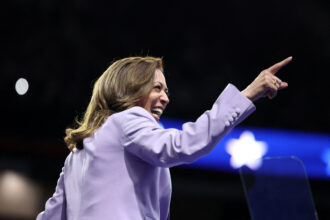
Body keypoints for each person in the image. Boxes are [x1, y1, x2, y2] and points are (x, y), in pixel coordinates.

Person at [36, 56, 292, 220]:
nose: (166, 98)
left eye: (166, 90)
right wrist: (247, 94)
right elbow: (184, 145)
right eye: (157, 88)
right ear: (128, 88)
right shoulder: (128, 121)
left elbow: (51, 216)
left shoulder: (78, 154)